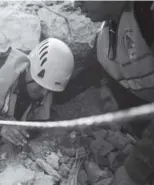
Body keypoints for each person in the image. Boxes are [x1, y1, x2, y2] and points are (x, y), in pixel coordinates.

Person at [75, 1, 154, 185]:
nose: (76, 3)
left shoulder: (148, 14)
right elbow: (85, 77)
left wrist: (135, 170)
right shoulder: (106, 34)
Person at [0, 38, 74, 146]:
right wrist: (0, 126)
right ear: (29, 68)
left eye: (49, 91)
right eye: (40, 86)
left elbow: (43, 121)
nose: (44, 93)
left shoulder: (49, 81)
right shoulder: (0, 71)